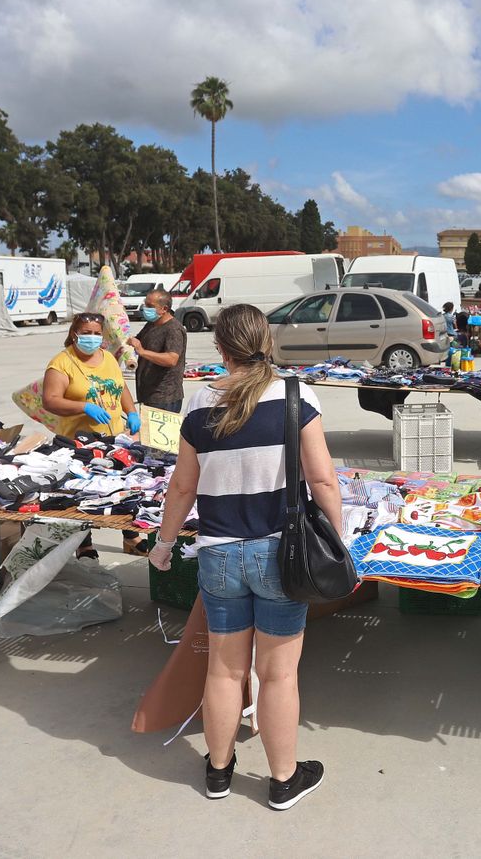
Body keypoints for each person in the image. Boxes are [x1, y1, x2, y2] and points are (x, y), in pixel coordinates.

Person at [149, 304, 341, 810]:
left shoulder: (198, 401)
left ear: (220, 349)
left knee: (223, 671)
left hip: (218, 555)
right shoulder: (297, 396)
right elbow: (322, 480)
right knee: (278, 674)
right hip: (280, 555)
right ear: (268, 342)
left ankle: (218, 772)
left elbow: (182, 487)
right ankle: (282, 780)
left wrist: (164, 545)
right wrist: (337, 540)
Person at [42, 312, 140, 439]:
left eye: (97, 334)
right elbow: (50, 401)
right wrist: (84, 407)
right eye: (86, 333)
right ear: (74, 334)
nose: (92, 337)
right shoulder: (61, 363)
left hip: (115, 438)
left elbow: (121, 387)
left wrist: (132, 412)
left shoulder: (109, 357)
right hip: (79, 442)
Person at [127, 289, 187, 413]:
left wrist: (142, 352)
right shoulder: (151, 324)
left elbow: (171, 359)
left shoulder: (173, 329)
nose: (145, 308)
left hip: (164, 397)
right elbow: (138, 341)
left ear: (164, 309)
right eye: (145, 304)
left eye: (150, 306)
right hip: (148, 394)